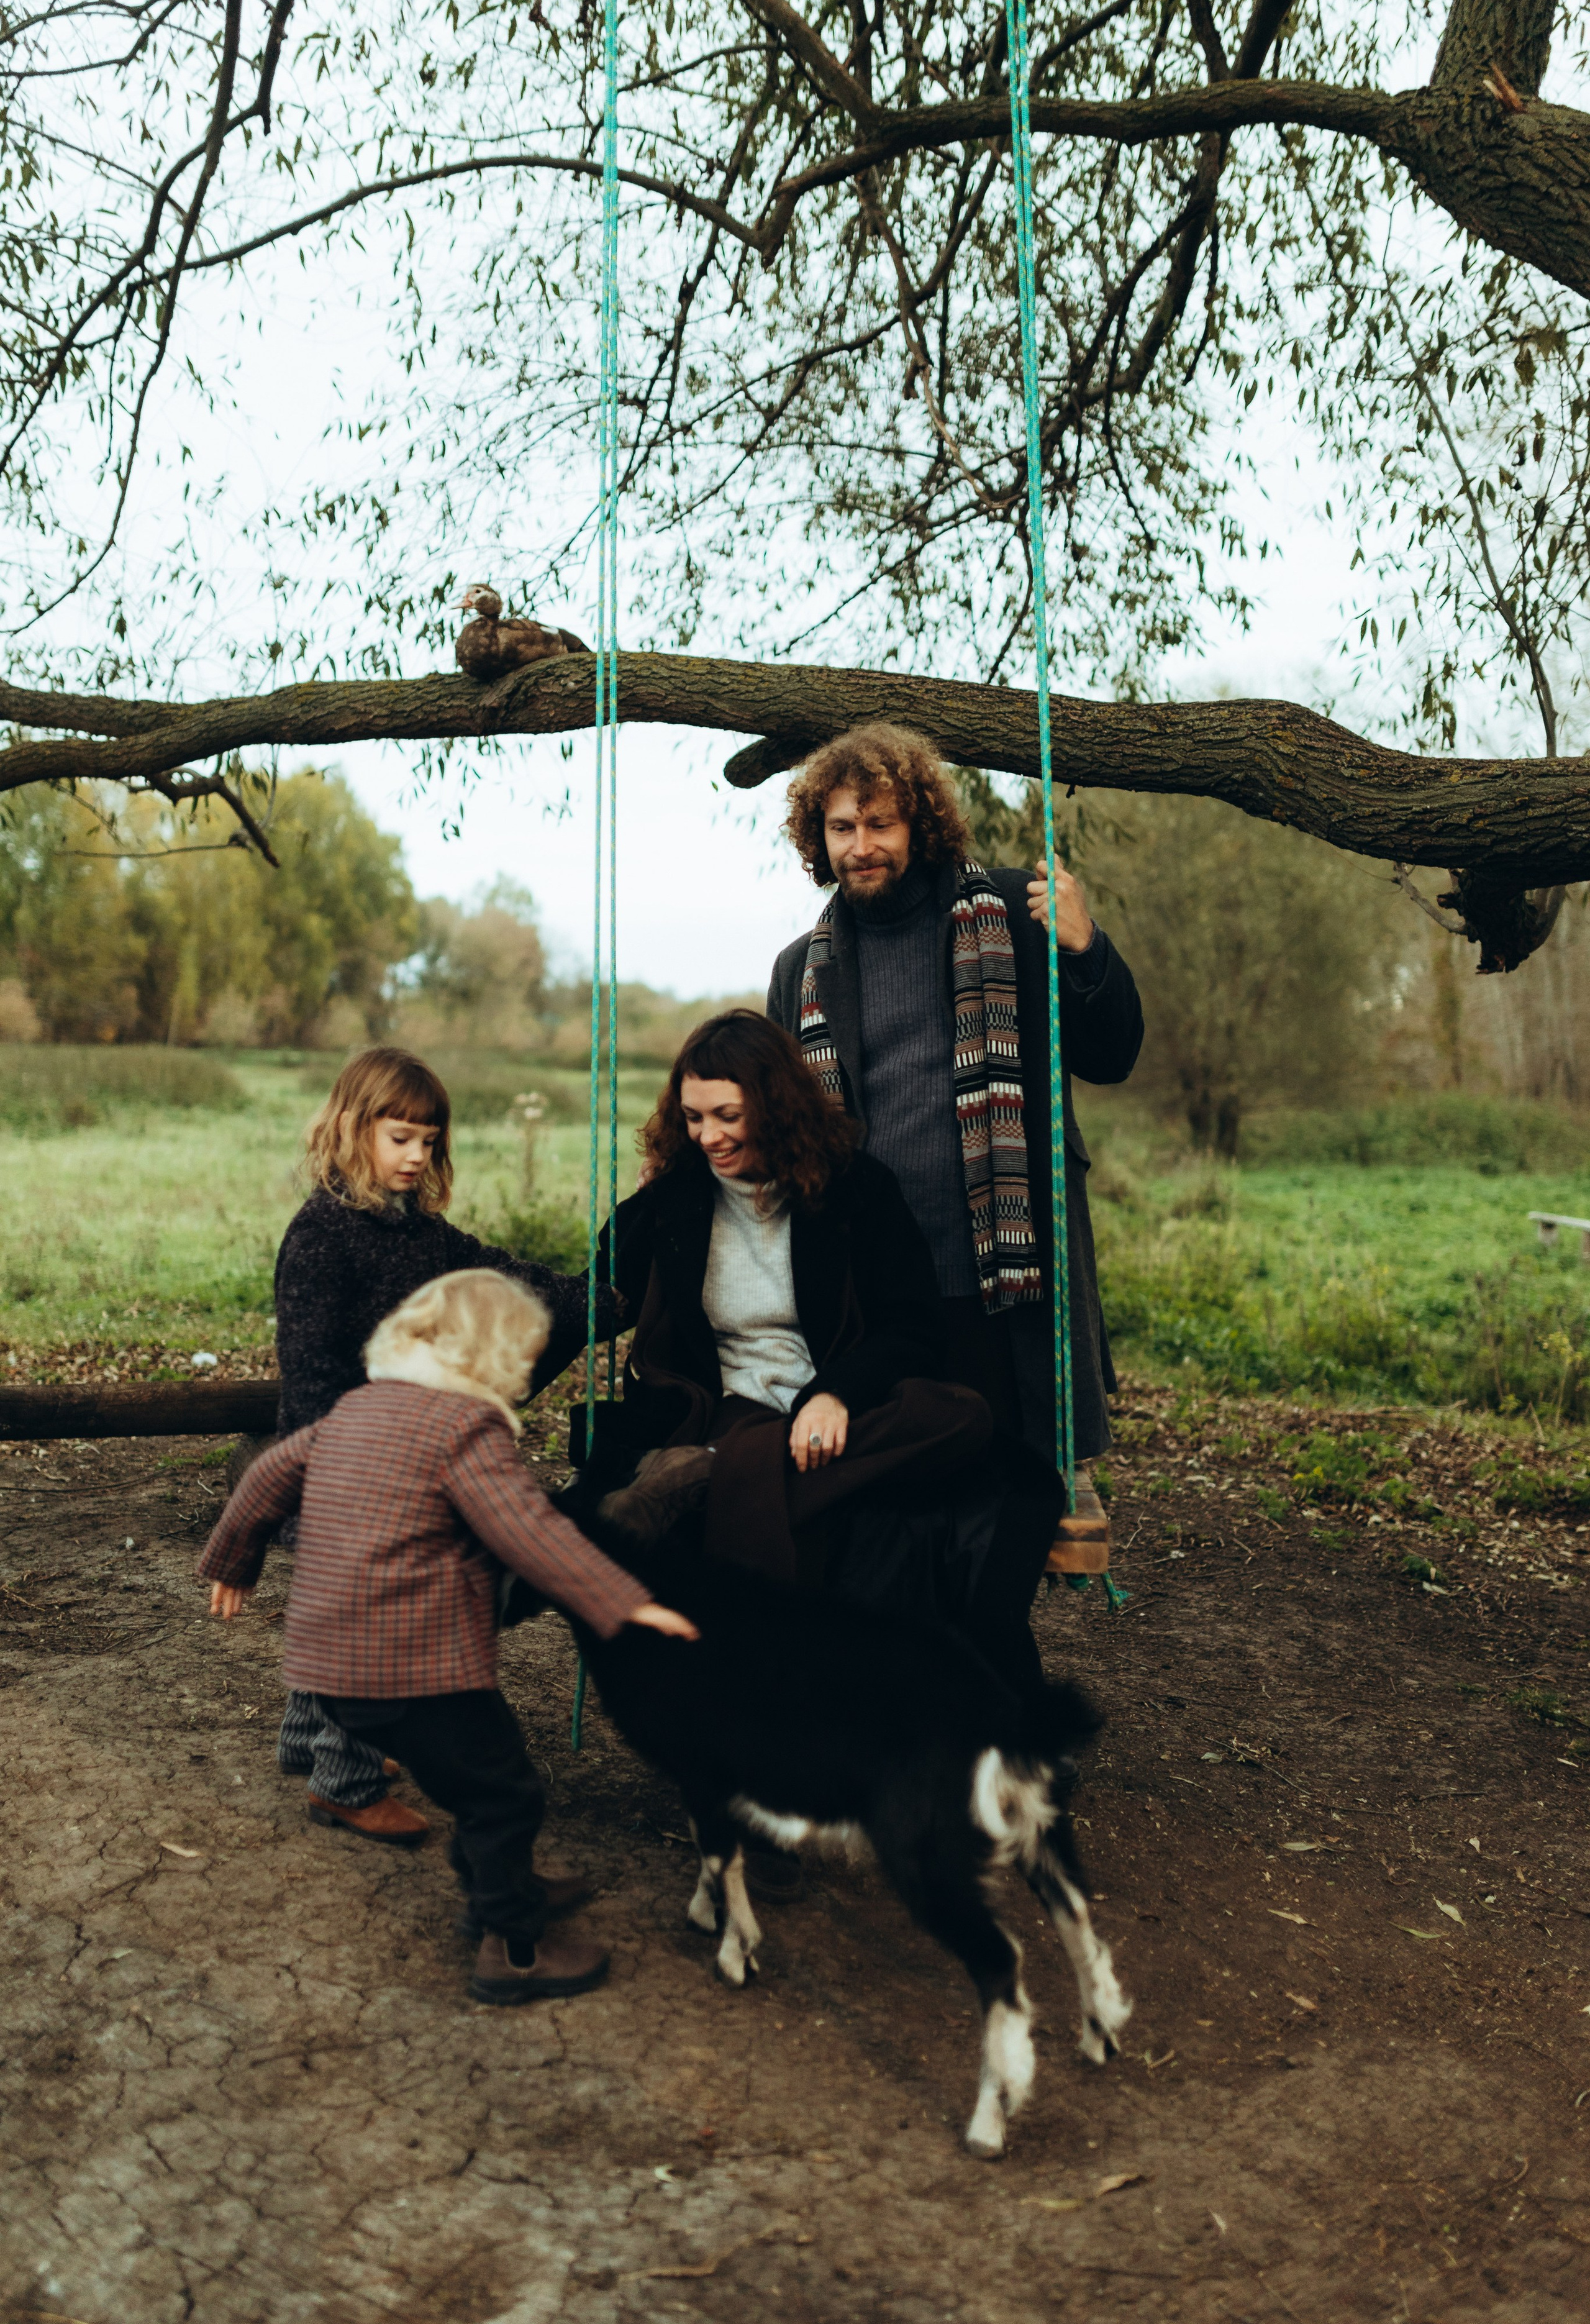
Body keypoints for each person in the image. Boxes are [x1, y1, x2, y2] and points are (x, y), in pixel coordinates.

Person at [202, 1267, 698, 2005]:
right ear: (496, 1359)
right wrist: (619, 1602)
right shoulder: (466, 1429)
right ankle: (514, 1945)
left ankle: (500, 1881)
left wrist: (234, 1562)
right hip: (416, 1668)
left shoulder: (354, 1412)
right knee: (504, 1797)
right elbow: (529, 1531)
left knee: (479, 1780)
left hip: (325, 1674)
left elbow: (268, 1473)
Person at [766, 721, 1143, 1480]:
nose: (861, 845)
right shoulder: (799, 970)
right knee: (894, 1501)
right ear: (819, 837)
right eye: (842, 827)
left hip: (1002, 1278)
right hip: (874, 1296)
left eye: (880, 823)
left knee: (1008, 1492)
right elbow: (784, 1134)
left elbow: (1113, 1055)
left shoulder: (1011, 911)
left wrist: (1085, 946)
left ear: (921, 825)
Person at [266, 1045, 616, 1843]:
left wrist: (593, 1301)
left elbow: (496, 1272)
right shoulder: (322, 1236)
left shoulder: (418, 1231)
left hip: (389, 1452)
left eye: (429, 1141)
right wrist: (342, 1470)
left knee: (336, 1608)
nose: (417, 1156)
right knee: (374, 1622)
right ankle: (344, 1783)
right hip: (351, 1460)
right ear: (352, 1129)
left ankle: (303, 1737)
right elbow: (311, 1369)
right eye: (400, 1138)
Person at [553, 1009, 994, 1602]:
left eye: (727, 1116)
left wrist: (833, 1395)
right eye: (692, 1118)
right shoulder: (673, 1198)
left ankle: (703, 1473)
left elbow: (912, 1327)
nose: (708, 1136)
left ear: (775, 1103)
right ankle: (724, 1464)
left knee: (960, 1414)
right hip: (730, 1406)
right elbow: (596, 1299)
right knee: (771, 1452)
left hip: (836, 1406)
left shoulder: (858, 1187)